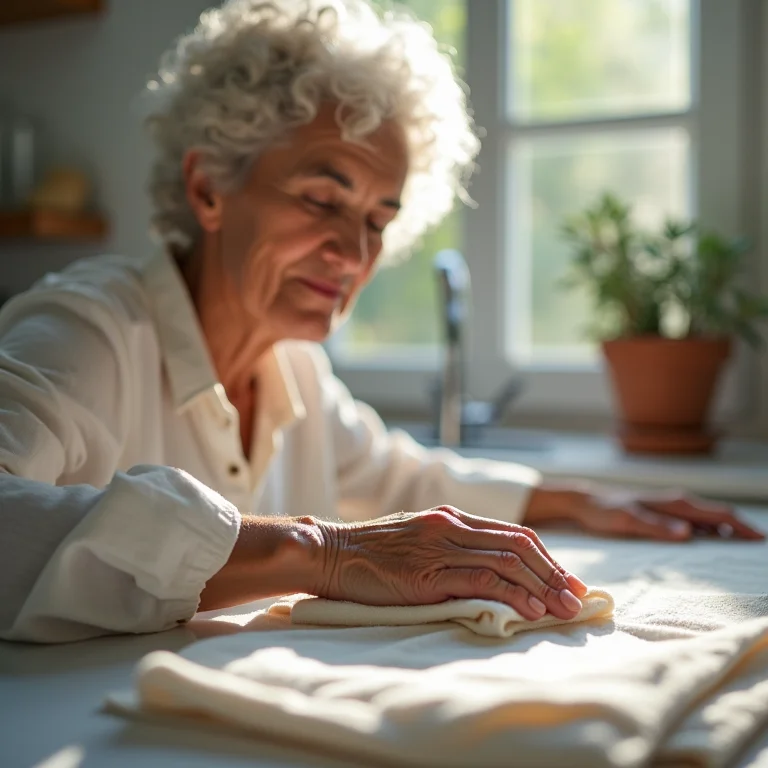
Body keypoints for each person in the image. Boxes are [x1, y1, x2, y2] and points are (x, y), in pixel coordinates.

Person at [0, 0, 760, 644]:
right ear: (208, 188)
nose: (354, 251)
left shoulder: (292, 366)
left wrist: (591, 502)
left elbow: (402, 477)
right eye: (322, 199)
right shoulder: (90, 331)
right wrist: (320, 550)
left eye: (378, 218)